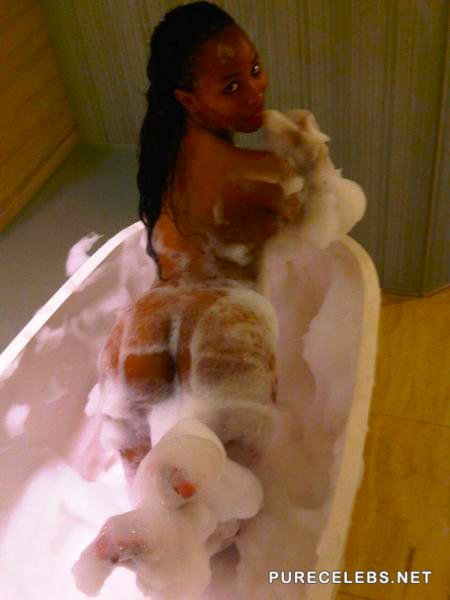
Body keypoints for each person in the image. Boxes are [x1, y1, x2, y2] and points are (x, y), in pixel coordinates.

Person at [97, 1, 304, 486]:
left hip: (143, 327)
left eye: (255, 70)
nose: (254, 91)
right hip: (226, 327)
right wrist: (306, 155)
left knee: (146, 498)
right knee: (228, 502)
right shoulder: (268, 176)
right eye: (231, 86)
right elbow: (313, 224)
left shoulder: (162, 155)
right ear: (188, 100)